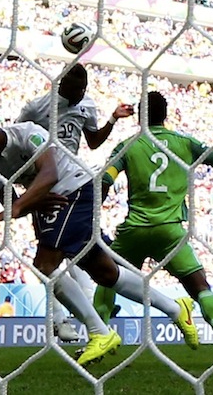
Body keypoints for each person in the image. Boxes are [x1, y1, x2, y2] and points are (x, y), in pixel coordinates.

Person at [0, 106, 198, 367]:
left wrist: (19, 206)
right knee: (104, 272)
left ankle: (99, 333)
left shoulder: (29, 134)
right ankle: (175, 308)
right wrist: (27, 204)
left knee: (45, 266)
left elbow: (49, 174)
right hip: (47, 203)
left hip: (76, 188)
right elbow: (8, 197)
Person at [93, 91, 213, 366]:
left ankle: (97, 340)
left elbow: (105, 180)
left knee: (107, 277)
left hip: (135, 231)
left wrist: (94, 214)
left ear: (141, 116)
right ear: (165, 116)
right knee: (200, 286)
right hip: (171, 233)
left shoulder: (128, 145)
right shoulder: (185, 143)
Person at [15, 63, 133, 342]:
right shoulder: (36, 108)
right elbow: (18, 140)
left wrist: (112, 120)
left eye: (84, 88)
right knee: (50, 254)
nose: (81, 93)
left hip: (75, 183)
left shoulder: (86, 105)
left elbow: (93, 142)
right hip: (47, 188)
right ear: (60, 85)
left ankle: (88, 309)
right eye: (76, 89)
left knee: (75, 249)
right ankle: (59, 319)